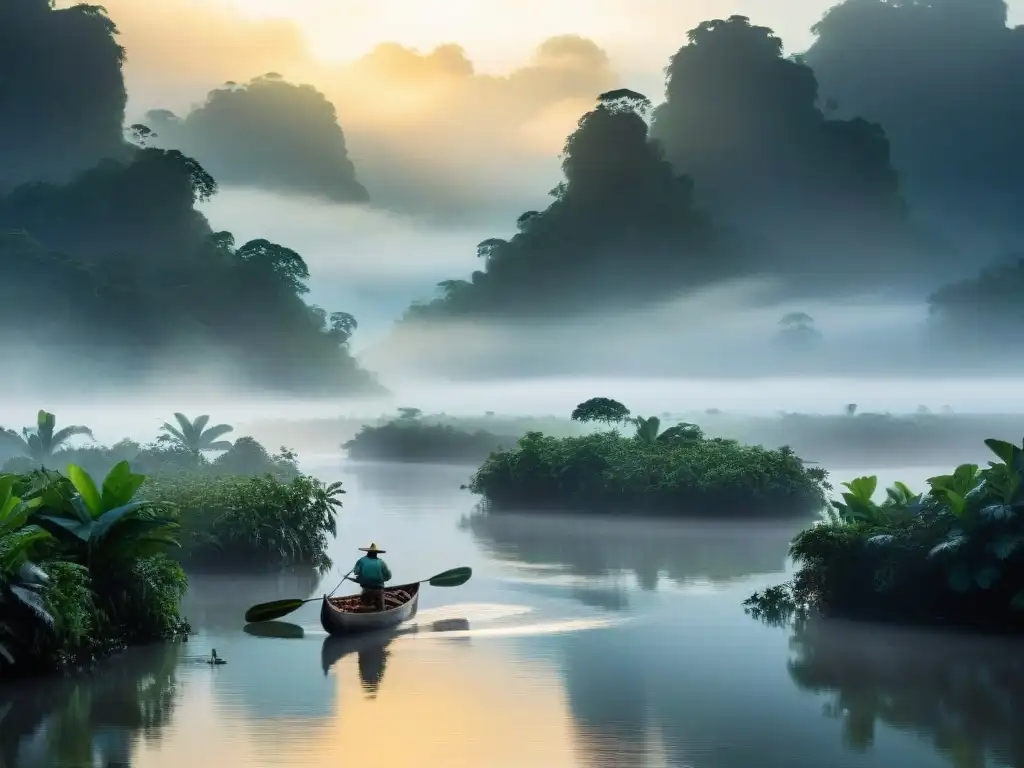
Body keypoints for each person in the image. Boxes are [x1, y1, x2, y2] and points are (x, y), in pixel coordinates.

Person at [352, 543, 392, 611]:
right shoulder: (381, 562)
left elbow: (356, 572)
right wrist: (380, 580)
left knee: (365, 604)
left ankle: (364, 610)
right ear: (376, 553)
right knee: (381, 609)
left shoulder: (361, 561)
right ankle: (380, 610)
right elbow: (388, 576)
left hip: (366, 590)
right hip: (378, 590)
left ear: (368, 552)